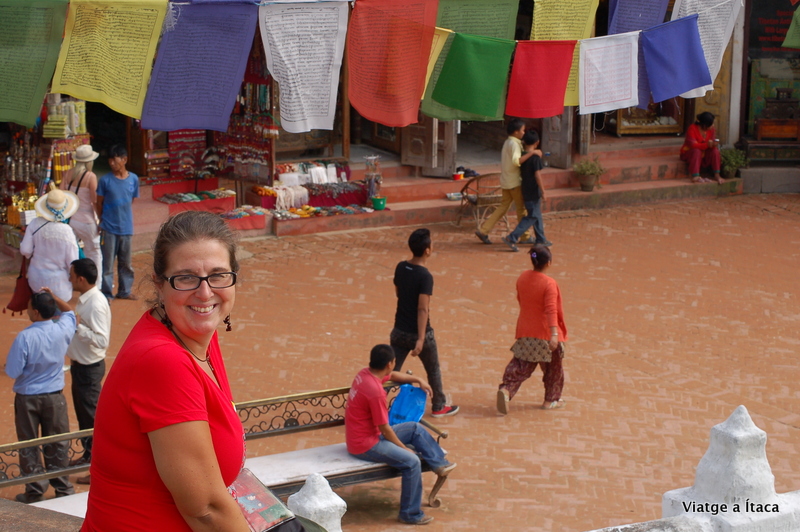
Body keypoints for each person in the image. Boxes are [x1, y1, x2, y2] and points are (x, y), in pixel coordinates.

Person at [83, 211, 249, 531]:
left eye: (218, 275)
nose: (205, 293)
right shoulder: (163, 360)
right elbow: (206, 510)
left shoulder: (196, 334)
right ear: (160, 284)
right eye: (185, 277)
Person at [345, 344, 456, 526]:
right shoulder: (375, 392)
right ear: (390, 363)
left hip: (364, 435)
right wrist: (404, 449)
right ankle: (410, 514)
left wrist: (419, 379)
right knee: (412, 463)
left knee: (414, 428)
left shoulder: (365, 374)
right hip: (365, 444)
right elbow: (385, 429)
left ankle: (439, 464)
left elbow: (395, 375)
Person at [4, 291, 76, 503]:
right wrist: (53, 296)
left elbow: (13, 372)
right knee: (58, 442)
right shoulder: (63, 328)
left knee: (29, 444)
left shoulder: (25, 337)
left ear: (35, 312)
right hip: (55, 397)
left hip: (28, 398)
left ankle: (35, 490)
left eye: (28, 307)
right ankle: (62, 487)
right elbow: (70, 312)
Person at [47, 258, 111, 483]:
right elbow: (75, 316)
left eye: (72, 276)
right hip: (81, 368)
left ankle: (99, 471)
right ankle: (88, 456)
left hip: (89, 370)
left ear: (81, 279)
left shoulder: (96, 303)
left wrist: (78, 327)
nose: (69, 279)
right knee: (85, 418)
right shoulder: (87, 299)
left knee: (92, 420)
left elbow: (102, 340)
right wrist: (55, 299)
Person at [390, 228, 459, 418]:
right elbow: (422, 309)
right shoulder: (425, 276)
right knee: (433, 369)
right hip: (419, 332)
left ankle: (378, 403)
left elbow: (398, 292)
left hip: (399, 330)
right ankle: (438, 405)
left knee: (389, 371)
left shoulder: (400, 267)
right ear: (427, 250)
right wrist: (420, 339)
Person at [497, 244, 568, 414]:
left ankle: (506, 390)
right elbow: (551, 309)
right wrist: (554, 334)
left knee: (520, 365)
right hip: (544, 333)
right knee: (554, 368)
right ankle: (550, 400)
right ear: (548, 263)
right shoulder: (549, 284)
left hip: (525, 330)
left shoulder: (523, 277)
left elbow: (521, 299)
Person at [475, 118, 540, 245]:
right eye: (522, 130)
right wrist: (533, 153)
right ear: (516, 132)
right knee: (522, 210)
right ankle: (525, 237)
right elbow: (517, 161)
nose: (524, 133)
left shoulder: (507, 142)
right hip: (514, 182)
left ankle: (484, 230)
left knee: (503, 207)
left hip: (506, 181)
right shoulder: (515, 144)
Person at [20, 187, 80, 302]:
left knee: (40, 313)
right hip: (60, 285)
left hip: (36, 280)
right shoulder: (67, 231)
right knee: (57, 316)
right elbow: (72, 263)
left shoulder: (34, 223)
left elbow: (25, 250)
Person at [96, 143, 139, 301]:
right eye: (110, 161)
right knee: (107, 264)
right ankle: (107, 293)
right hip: (108, 228)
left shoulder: (133, 179)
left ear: (124, 159)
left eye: (114, 160)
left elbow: (131, 199)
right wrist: (101, 220)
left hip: (126, 228)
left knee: (125, 263)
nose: (112, 163)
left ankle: (124, 291)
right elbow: (98, 202)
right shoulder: (105, 181)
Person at [502, 130, 553, 252]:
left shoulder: (523, 156)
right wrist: (543, 191)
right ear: (537, 143)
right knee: (532, 216)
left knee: (536, 215)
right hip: (533, 191)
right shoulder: (535, 158)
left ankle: (540, 238)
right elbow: (538, 176)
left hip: (525, 189)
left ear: (524, 142)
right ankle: (512, 237)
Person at [61, 144, 103, 276]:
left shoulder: (68, 174)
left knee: (71, 252)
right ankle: (96, 284)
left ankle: (73, 278)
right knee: (94, 253)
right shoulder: (90, 177)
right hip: (86, 220)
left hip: (71, 220)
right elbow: (94, 201)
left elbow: (62, 195)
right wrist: (100, 220)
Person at [681, 111, 722, 184]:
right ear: (705, 125)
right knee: (696, 151)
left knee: (715, 151)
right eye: (711, 124)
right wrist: (707, 145)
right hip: (689, 153)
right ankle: (695, 176)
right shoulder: (692, 128)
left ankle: (717, 174)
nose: (713, 125)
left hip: (704, 154)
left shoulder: (711, 130)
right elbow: (692, 145)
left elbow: (711, 143)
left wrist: (713, 144)